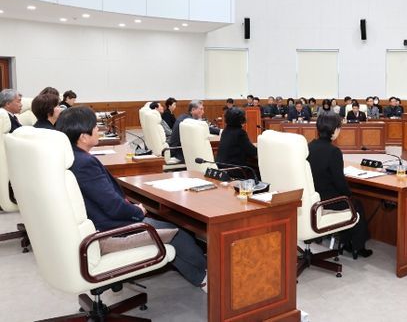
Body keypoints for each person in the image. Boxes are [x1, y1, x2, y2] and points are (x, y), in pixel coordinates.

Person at [55, 106, 208, 290]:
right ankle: (204, 277)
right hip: (110, 230)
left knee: (167, 220)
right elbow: (114, 207)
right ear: (83, 137)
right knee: (179, 232)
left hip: (97, 224)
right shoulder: (85, 163)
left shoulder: (70, 158)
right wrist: (138, 211)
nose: (98, 130)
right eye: (95, 127)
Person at [307, 113, 372, 258]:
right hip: (328, 201)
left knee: (351, 201)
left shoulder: (309, 146)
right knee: (356, 204)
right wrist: (348, 194)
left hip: (313, 199)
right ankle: (357, 246)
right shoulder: (333, 151)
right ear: (334, 130)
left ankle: (346, 241)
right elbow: (340, 183)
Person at [216, 108, 258, 178]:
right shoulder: (240, 133)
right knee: (259, 172)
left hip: (221, 168)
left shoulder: (225, 131)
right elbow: (252, 151)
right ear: (241, 119)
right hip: (235, 170)